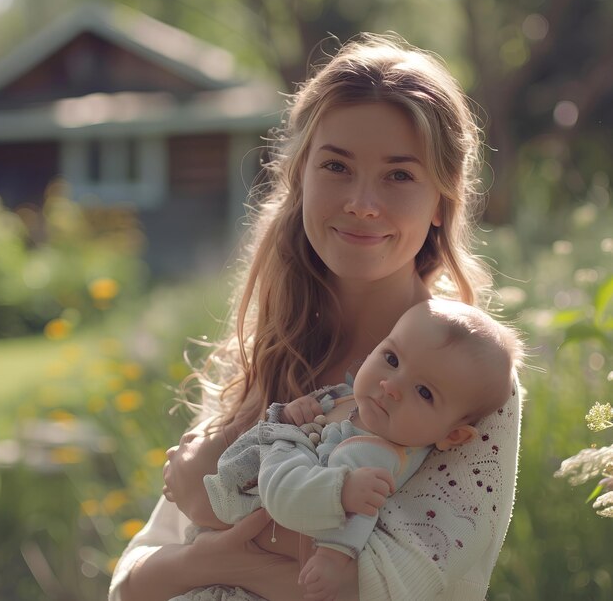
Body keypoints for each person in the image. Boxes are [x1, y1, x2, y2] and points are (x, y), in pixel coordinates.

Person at [109, 32, 523, 601]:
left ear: (441, 203)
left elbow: (410, 585)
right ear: (300, 177)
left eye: (399, 175)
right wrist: (202, 557)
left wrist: (217, 517)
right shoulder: (266, 350)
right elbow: (132, 580)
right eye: (336, 166)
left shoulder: (469, 382)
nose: (361, 201)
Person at [198, 298, 522, 601]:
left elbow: (355, 513)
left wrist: (331, 556)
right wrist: (292, 414)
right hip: (220, 545)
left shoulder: (375, 454)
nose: (391, 386)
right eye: (391, 359)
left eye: (424, 392)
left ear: (453, 437)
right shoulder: (349, 399)